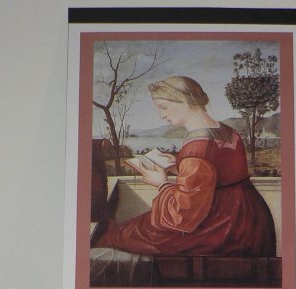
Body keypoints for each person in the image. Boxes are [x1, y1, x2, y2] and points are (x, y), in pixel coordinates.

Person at [94, 76, 276, 258]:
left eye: (164, 107)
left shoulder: (197, 149)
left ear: (185, 101)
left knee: (120, 236)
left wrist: (161, 184)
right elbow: (218, 174)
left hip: (219, 229)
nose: (161, 115)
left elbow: (182, 216)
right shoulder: (228, 131)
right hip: (249, 218)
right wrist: (177, 166)